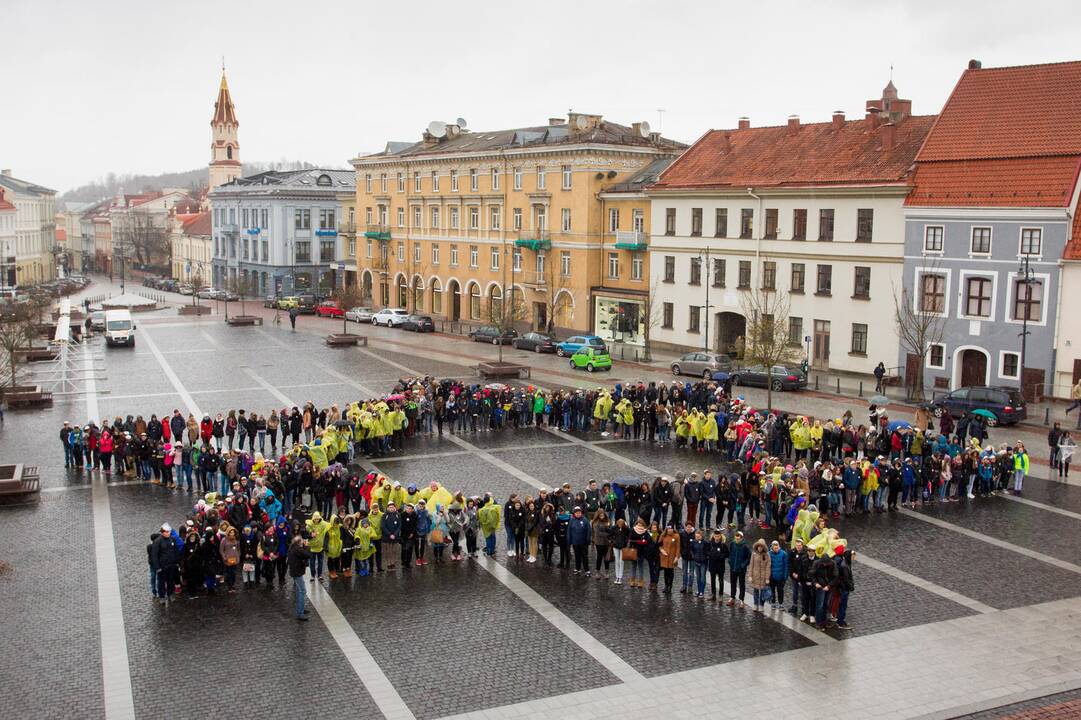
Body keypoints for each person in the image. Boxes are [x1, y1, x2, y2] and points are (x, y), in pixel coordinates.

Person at [287, 534, 312, 621]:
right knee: (302, 591)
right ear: (299, 542)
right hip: (297, 573)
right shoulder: (297, 549)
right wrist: (307, 546)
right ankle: (300, 613)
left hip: (296, 572)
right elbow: (307, 554)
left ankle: (300, 608)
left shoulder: (293, 547)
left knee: (299, 591)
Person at [749, 538, 770, 611]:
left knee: (763, 592)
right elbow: (751, 565)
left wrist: (767, 578)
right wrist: (750, 575)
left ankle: (761, 605)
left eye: (761, 547)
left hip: (763, 577)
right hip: (755, 576)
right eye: (759, 546)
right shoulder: (754, 554)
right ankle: (755, 604)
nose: (760, 548)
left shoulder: (767, 555)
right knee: (755, 591)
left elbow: (768, 567)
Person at [658, 524, 680, 594]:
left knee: (671, 572)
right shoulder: (663, 535)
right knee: (665, 572)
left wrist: (677, 557)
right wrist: (661, 550)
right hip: (664, 556)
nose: (670, 530)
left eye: (671, 529)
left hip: (672, 557)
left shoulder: (676, 536)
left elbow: (678, 547)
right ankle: (666, 585)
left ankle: (670, 587)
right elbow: (659, 545)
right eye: (668, 529)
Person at [768, 539, 789, 609]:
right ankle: (773, 603)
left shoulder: (784, 554)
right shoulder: (769, 554)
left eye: (777, 547)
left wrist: (785, 577)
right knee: (772, 591)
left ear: (779, 546)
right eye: (774, 547)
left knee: (780, 591)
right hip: (772, 577)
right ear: (772, 547)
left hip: (780, 577)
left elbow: (786, 566)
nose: (776, 549)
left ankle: (781, 604)